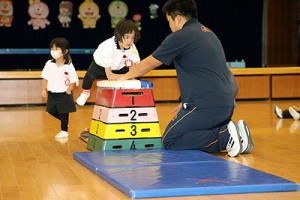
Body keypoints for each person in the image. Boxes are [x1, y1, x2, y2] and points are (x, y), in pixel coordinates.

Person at [110, 0, 254, 157]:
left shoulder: (180, 36)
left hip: (206, 107)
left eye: (169, 21)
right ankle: (238, 134)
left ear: (178, 18)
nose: (169, 26)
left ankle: (225, 137)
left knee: (171, 140)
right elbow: (209, 74)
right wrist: (185, 100)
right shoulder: (209, 33)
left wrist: (123, 77)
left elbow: (150, 63)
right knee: (187, 129)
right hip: (226, 106)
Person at [76, 19, 141, 106]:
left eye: (132, 38)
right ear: (119, 35)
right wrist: (113, 76)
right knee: (89, 75)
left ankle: (134, 96)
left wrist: (132, 79)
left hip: (119, 67)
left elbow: (133, 65)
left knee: (137, 76)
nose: (130, 41)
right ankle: (85, 93)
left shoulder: (132, 48)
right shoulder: (109, 46)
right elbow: (109, 74)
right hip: (101, 66)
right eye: (127, 37)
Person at [41, 37, 79, 139]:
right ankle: (64, 122)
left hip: (64, 93)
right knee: (50, 110)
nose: (54, 51)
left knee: (64, 111)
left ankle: (64, 130)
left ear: (65, 51)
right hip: (52, 93)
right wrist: (43, 89)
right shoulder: (49, 64)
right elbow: (44, 77)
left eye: (57, 49)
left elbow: (73, 80)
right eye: (52, 49)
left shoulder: (69, 65)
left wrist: (68, 90)